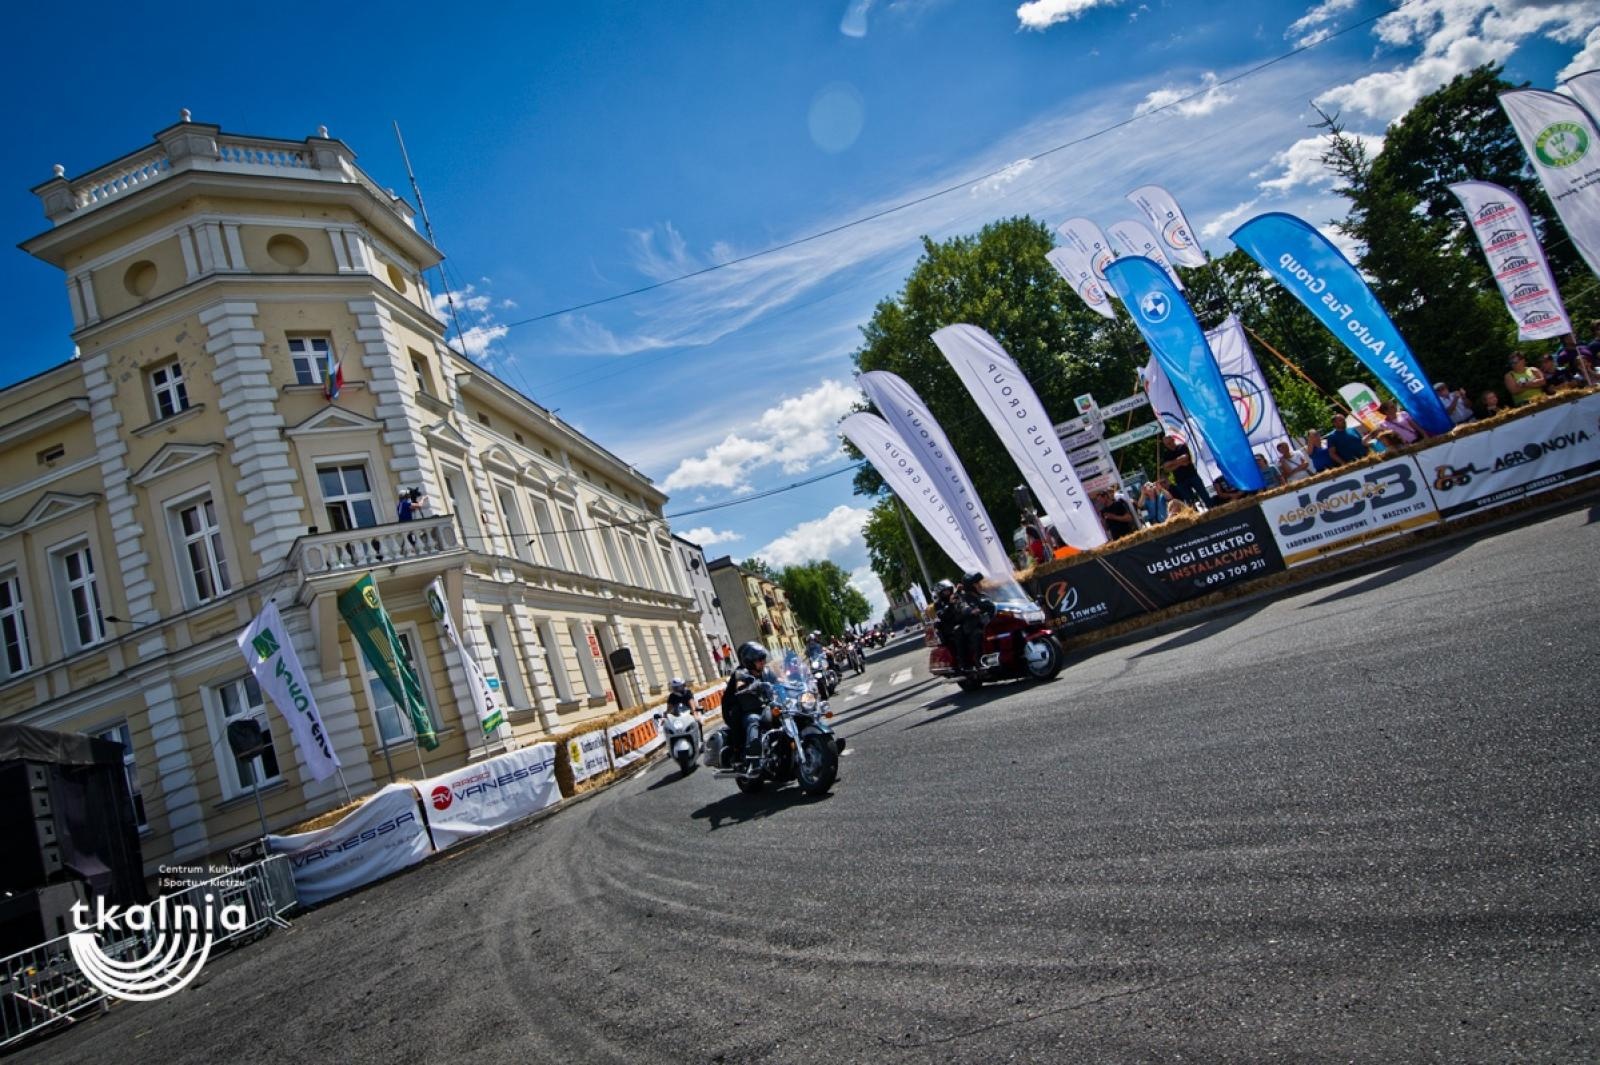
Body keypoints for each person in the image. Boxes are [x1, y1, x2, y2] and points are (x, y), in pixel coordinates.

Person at [722, 642, 773, 770]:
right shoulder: (741, 673)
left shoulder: (765, 671)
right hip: (743, 709)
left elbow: (779, 680)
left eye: (763, 658)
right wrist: (749, 686)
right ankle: (751, 758)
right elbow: (740, 685)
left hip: (764, 706)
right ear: (749, 661)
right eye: (759, 659)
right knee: (753, 720)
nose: (763, 661)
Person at [953, 572, 995, 672]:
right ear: (971, 586)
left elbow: (994, 603)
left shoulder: (983, 595)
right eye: (977, 583)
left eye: (979, 582)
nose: (980, 585)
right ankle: (979, 661)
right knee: (978, 634)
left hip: (987, 622)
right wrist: (971, 611)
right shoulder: (963, 598)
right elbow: (963, 607)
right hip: (973, 626)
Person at [1160, 433, 1213, 508]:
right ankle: (1195, 514)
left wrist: (1172, 464)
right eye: (1167, 444)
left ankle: (1212, 509)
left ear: (1173, 440)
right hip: (1180, 481)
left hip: (1192, 476)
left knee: (1204, 495)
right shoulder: (1166, 454)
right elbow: (1166, 468)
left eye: (1170, 442)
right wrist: (1179, 462)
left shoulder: (1182, 447)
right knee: (1190, 502)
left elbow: (1186, 459)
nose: (1169, 445)